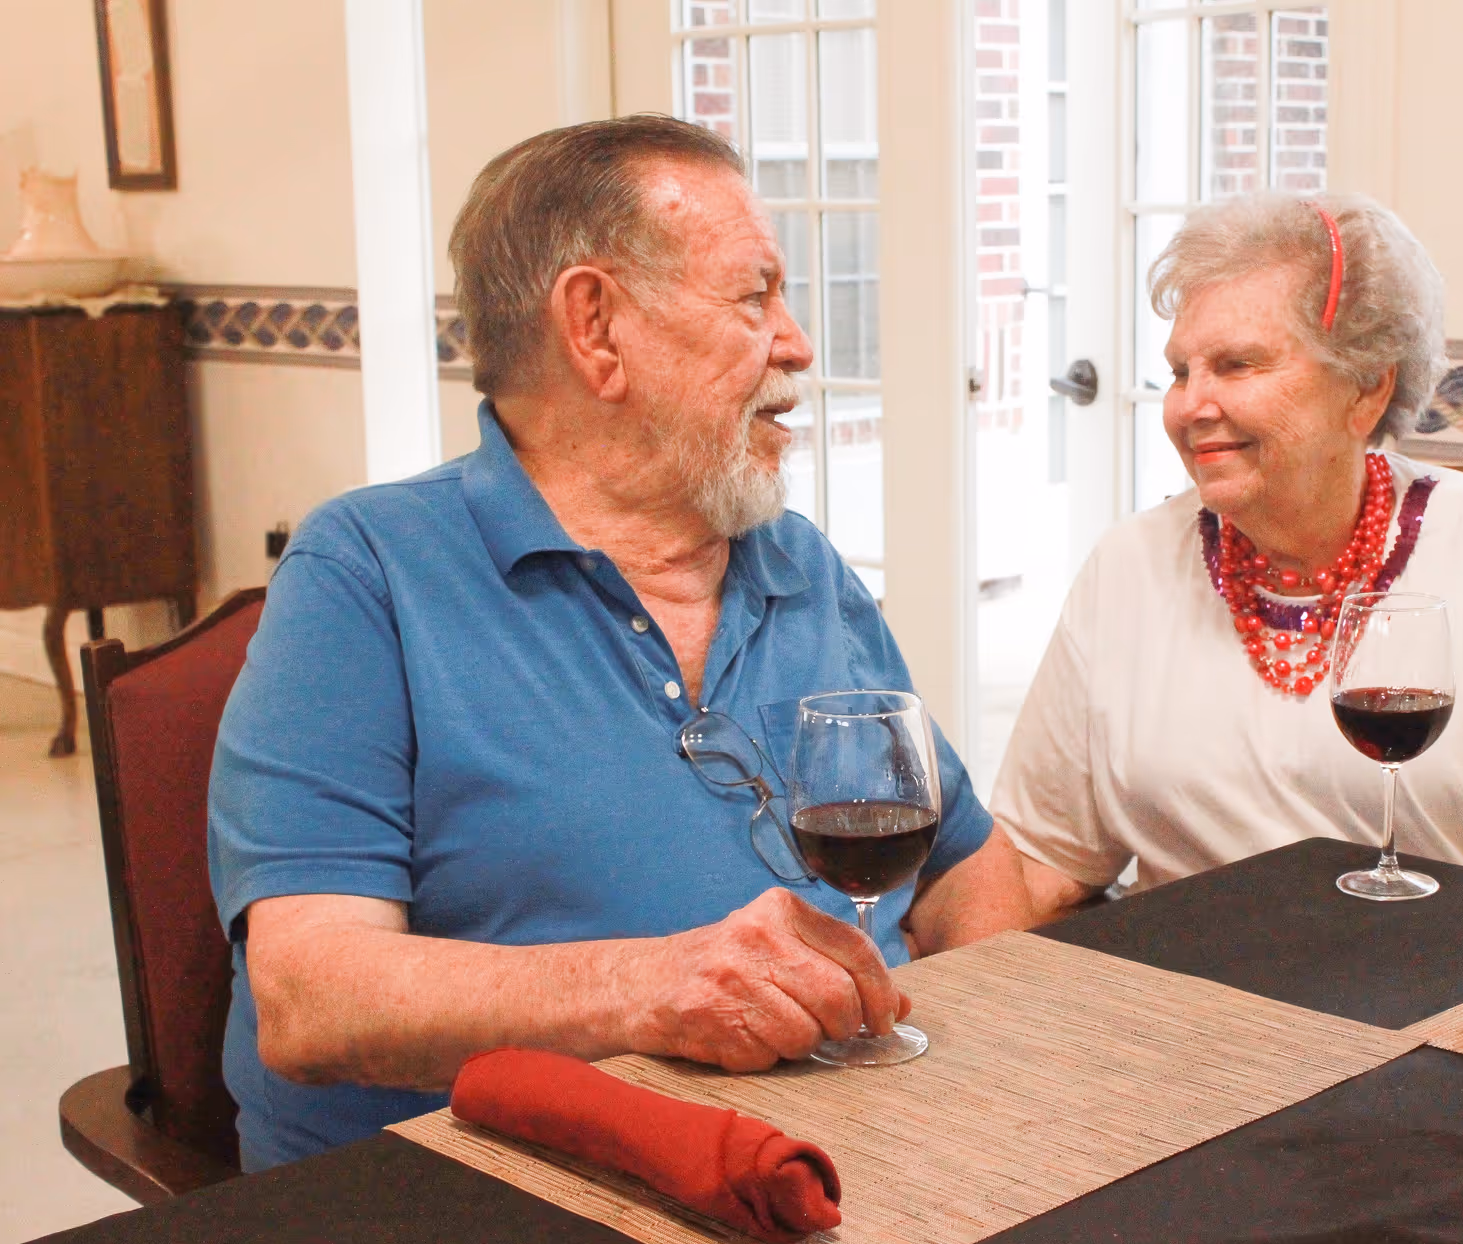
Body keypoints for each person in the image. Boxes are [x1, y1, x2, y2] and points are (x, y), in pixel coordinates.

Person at [209, 116, 1012, 1169]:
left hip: (824, 1163)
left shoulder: (797, 560)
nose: (798, 341)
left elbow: (963, 870)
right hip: (496, 1192)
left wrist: (1010, 1089)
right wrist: (651, 987)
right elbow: (313, 996)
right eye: (753, 293)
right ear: (595, 327)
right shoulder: (367, 574)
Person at [931, 193, 1463, 929]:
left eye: (1237, 365)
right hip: (1178, 1002)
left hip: (1435, 995)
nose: (1191, 405)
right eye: (1182, 372)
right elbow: (1044, 860)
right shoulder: (1130, 564)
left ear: (1367, 386)